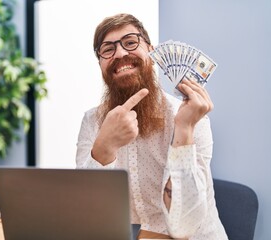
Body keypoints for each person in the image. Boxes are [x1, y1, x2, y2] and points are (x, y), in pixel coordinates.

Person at [75, 13, 228, 240]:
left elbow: (183, 227)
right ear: (100, 63)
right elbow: (87, 212)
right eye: (108, 49)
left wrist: (184, 131)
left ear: (151, 51)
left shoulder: (192, 118)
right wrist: (104, 149)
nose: (120, 53)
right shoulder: (92, 121)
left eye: (130, 42)